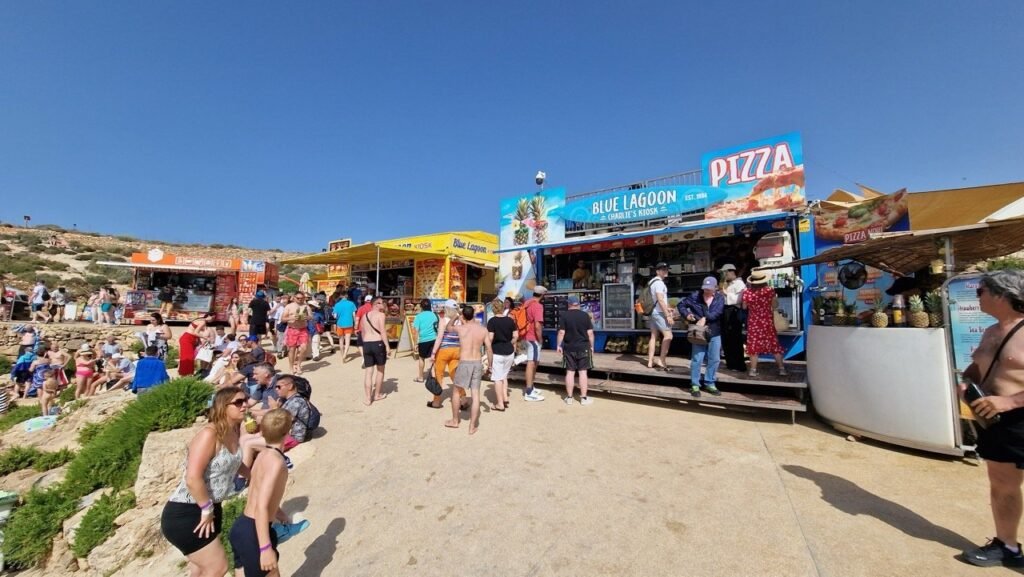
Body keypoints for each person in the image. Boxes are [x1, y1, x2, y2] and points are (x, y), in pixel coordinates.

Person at [960, 271, 1024, 567]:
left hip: (1018, 417)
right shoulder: (991, 331)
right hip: (994, 422)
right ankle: (1006, 545)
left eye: (981, 291)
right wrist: (967, 385)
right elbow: (977, 368)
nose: (978, 297)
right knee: (1001, 483)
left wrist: (1010, 401)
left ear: (1002, 294)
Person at [161, 387, 249, 577]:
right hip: (188, 512)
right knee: (217, 567)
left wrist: (252, 474)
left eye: (245, 400)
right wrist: (206, 509)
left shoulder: (234, 430)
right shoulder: (209, 434)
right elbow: (193, 477)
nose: (245, 406)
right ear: (222, 407)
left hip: (211, 508)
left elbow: (233, 461)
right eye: (238, 402)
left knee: (200, 569)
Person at [229, 408, 292, 577]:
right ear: (288, 432)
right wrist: (265, 548)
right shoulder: (276, 462)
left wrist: (279, 513)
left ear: (262, 431)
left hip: (242, 526)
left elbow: (257, 491)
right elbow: (262, 506)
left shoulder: (263, 455)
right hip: (255, 533)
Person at [446, 305, 488, 434]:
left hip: (465, 362)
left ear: (463, 316)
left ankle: (455, 420)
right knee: (475, 395)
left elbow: (448, 328)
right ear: (474, 314)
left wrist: (455, 316)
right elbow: (489, 348)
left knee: (456, 392)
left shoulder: (461, 328)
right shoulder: (483, 330)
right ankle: (472, 426)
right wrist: (490, 365)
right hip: (476, 361)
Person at [681, 277, 725, 398]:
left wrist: (705, 319)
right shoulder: (695, 296)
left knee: (714, 358)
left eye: (709, 289)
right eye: (705, 288)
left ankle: (710, 382)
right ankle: (695, 384)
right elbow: (681, 305)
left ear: (715, 288)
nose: (706, 291)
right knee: (697, 359)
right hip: (698, 332)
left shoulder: (720, 298)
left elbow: (718, 313)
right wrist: (688, 315)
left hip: (714, 331)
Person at [741, 270, 786, 377]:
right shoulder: (769, 290)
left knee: (753, 346)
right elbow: (775, 306)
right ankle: (782, 369)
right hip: (767, 321)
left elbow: (744, 307)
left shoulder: (747, 292)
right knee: (774, 344)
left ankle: (753, 370)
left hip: (754, 322)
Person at [557, 295, 595, 406]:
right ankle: (584, 398)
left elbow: (561, 332)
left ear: (569, 304)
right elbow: (590, 333)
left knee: (570, 372)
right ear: (578, 304)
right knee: (583, 372)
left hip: (569, 348)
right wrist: (592, 346)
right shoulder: (585, 316)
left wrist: (559, 345)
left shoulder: (564, 315)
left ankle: (569, 398)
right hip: (584, 347)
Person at [428, 301, 464, 410]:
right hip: (457, 350)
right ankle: (463, 399)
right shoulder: (460, 321)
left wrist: (433, 353)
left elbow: (439, 338)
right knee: (455, 374)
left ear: (447, 309)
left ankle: (436, 401)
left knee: (439, 375)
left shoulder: (443, 320)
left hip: (444, 350)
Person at [486, 298, 517, 411]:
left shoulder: (492, 321)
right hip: (509, 351)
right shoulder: (510, 320)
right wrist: (510, 342)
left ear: (493, 309)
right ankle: (505, 398)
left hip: (497, 352)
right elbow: (515, 336)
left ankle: (500, 404)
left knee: (497, 378)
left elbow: (490, 337)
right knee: (504, 375)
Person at [360, 296, 390, 406]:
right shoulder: (381, 315)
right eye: (381, 303)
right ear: (376, 304)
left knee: (368, 372)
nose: (383, 305)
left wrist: (365, 343)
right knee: (380, 370)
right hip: (377, 343)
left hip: (367, 343)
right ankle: (377, 395)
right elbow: (382, 331)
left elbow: (362, 332)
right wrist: (387, 346)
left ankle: (368, 398)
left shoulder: (364, 316)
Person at [646, 263, 675, 371]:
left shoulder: (652, 282)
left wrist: (668, 308)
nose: (665, 271)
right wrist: (668, 315)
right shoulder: (659, 283)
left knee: (653, 336)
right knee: (668, 336)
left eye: (666, 269)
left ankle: (650, 361)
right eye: (663, 269)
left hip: (653, 312)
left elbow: (658, 300)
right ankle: (661, 360)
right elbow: (660, 299)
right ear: (657, 271)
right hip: (659, 313)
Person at [270, 375, 312, 448]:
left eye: (279, 387)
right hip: (285, 434)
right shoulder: (290, 400)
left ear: (290, 386)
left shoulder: (297, 402)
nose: (276, 389)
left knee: (252, 443)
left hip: (293, 437)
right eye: (275, 387)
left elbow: (282, 421)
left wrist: (274, 409)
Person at [719, 264, 748, 372]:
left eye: (725, 273)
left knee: (735, 338)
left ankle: (739, 364)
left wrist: (726, 294)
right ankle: (730, 363)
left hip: (733, 311)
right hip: (725, 311)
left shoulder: (739, 283)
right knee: (726, 338)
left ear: (731, 272)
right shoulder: (726, 283)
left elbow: (740, 299)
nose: (724, 275)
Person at [521, 286, 547, 402]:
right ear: (542, 295)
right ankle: (529, 392)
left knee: (533, 361)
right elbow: (537, 326)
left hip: (526, 335)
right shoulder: (538, 306)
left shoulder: (527, 303)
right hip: (533, 337)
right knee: (532, 363)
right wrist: (540, 339)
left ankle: (531, 386)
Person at [281, 292, 312, 375]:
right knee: (292, 350)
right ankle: (291, 367)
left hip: (303, 329)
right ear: (294, 298)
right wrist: (292, 317)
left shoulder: (306, 307)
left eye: (301, 298)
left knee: (304, 348)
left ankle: (298, 365)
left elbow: (311, 317)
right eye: (298, 298)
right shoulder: (289, 306)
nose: (300, 299)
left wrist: (307, 317)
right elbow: (283, 319)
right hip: (292, 329)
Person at [179, 312, 215, 377]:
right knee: (188, 357)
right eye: (212, 318)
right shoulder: (202, 322)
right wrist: (205, 338)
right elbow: (195, 332)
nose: (213, 319)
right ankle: (186, 373)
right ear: (209, 316)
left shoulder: (199, 320)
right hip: (188, 338)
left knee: (187, 357)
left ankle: (185, 373)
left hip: (189, 338)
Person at [412, 299, 439, 382]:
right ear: (430, 306)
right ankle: (435, 376)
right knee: (434, 358)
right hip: (434, 339)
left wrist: (415, 343)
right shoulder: (435, 315)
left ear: (421, 307)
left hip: (423, 340)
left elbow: (415, 331)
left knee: (421, 358)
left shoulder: (418, 317)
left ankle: (420, 377)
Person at [332, 293, 358, 363]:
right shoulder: (351, 304)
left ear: (340, 296)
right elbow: (354, 315)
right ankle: (345, 355)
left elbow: (335, 316)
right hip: (349, 324)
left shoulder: (337, 304)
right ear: (347, 296)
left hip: (340, 324)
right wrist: (355, 323)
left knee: (341, 341)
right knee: (347, 341)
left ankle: (342, 355)